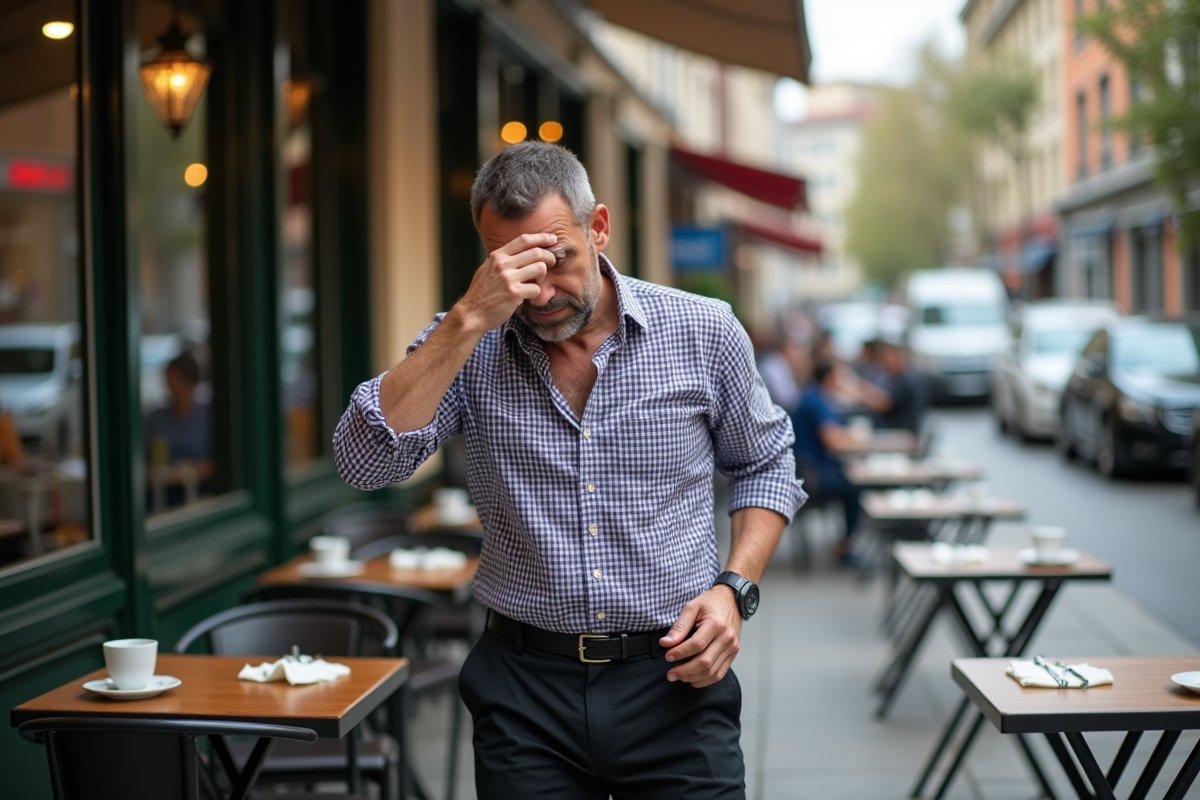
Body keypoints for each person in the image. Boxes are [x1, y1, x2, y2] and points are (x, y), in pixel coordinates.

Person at [334, 142, 804, 799]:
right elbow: (364, 461)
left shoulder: (705, 332)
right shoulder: (466, 345)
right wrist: (468, 318)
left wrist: (735, 588)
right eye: (517, 270)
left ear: (599, 228)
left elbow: (765, 463)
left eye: (557, 260)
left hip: (675, 680)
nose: (543, 293)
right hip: (524, 692)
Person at [791, 359, 863, 560]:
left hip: (810, 469)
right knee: (854, 487)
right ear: (830, 378)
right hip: (811, 476)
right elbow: (832, 440)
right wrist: (858, 440)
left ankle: (846, 543)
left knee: (852, 478)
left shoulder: (815, 396)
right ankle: (846, 547)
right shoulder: (816, 401)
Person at [144, 351, 211, 507]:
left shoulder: (207, 416)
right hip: (160, 498)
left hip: (201, 496)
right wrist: (159, 473)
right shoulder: (155, 419)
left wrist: (188, 472)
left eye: (175, 381)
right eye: (167, 382)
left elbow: (220, 464)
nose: (170, 387)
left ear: (190, 382)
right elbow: (143, 464)